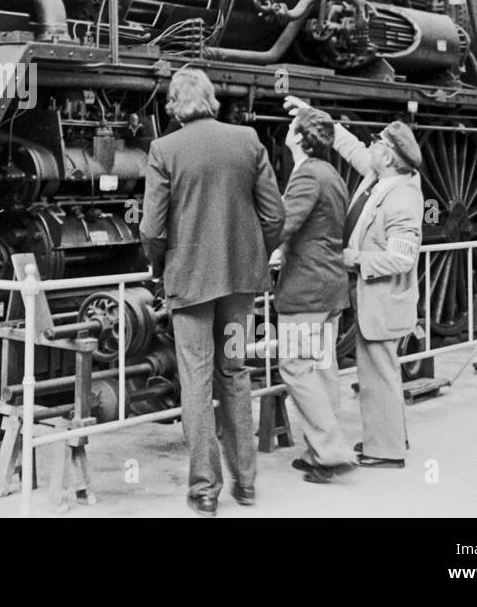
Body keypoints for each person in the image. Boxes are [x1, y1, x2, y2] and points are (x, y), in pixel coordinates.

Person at [140, 69, 284, 516]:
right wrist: (256, 254)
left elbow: (151, 228)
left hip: (189, 284)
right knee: (236, 373)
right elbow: (275, 215)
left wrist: (162, 267)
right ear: (212, 100)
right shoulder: (248, 141)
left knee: (196, 384)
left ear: (174, 106)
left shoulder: (165, 149)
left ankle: (205, 491)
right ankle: (247, 485)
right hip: (240, 285)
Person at [284, 95, 424, 469]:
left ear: (391, 156)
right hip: (366, 296)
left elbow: (402, 256)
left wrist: (356, 259)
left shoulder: (403, 198)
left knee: (379, 372)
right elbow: (352, 149)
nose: (372, 147)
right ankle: (384, 442)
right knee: (374, 371)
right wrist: (317, 115)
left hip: (382, 297)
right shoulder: (381, 177)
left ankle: (387, 450)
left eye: (378, 143)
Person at [270, 108, 354, 484]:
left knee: (294, 366)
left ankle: (331, 450)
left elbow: (284, 225)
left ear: (301, 138)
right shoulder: (332, 173)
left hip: (307, 289)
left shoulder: (306, 175)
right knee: (322, 367)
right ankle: (319, 451)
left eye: (291, 128)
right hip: (331, 285)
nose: (286, 132)